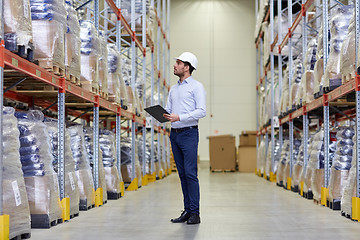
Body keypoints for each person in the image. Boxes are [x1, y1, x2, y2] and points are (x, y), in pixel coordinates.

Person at [163, 52, 206, 225]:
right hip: (175, 134)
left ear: (186, 67)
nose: (175, 65)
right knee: (181, 174)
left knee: (190, 174)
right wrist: (160, 114)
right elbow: (168, 110)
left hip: (189, 133)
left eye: (178, 63)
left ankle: (195, 213)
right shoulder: (173, 89)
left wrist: (179, 117)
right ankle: (187, 210)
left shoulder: (197, 87)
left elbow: (201, 111)